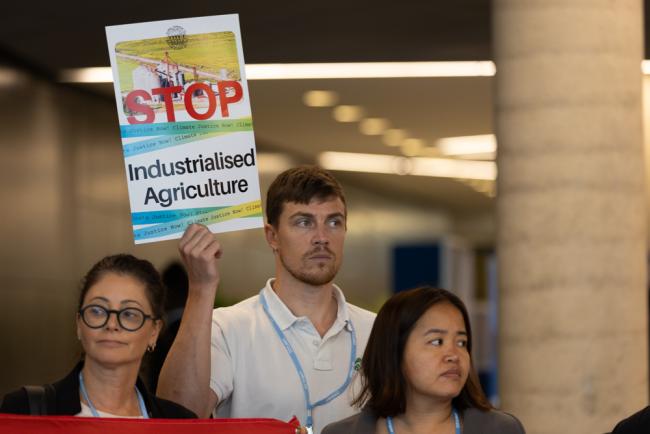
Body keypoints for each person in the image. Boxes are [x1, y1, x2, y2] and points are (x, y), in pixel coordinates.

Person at [157, 166, 376, 434]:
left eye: (333, 222)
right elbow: (178, 418)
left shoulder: (379, 330)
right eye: (304, 222)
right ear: (272, 236)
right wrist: (202, 288)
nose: (322, 238)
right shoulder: (227, 328)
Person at [0, 254, 196, 418]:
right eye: (97, 310)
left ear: (154, 332)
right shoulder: (25, 410)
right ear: (79, 323)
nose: (111, 324)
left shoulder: (177, 422)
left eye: (129, 314)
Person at [322, 287, 525, 434]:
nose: (453, 355)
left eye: (462, 343)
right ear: (394, 351)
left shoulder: (501, 429)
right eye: (437, 341)